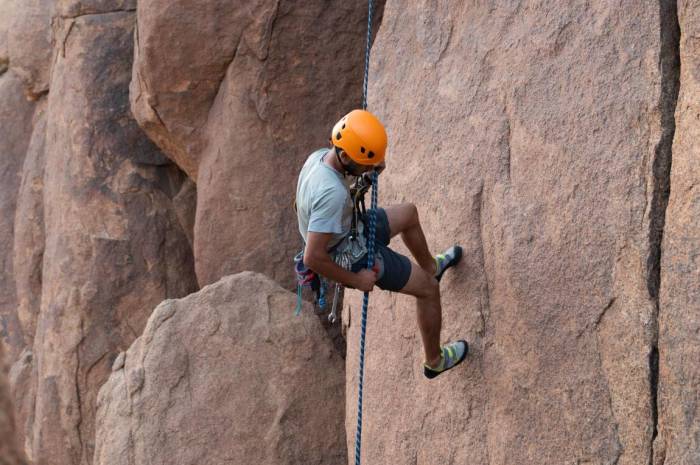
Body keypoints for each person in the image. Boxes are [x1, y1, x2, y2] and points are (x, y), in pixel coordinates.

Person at [295, 109, 468, 379]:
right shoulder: (331, 194)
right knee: (429, 290)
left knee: (409, 213)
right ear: (345, 157)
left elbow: (327, 204)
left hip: (350, 227)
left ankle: (431, 266)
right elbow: (313, 258)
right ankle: (434, 361)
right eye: (366, 163)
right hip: (351, 254)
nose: (373, 168)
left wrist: (364, 178)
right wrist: (356, 278)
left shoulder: (319, 158)